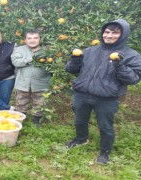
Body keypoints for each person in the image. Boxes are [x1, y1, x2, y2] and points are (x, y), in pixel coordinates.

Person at [65, 19, 141, 164]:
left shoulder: (131, 55)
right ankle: (81, 139)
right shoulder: (90, 50)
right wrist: (75, 61)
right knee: (80, 121)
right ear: (102, 33)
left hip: (107, 98)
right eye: (107, 32)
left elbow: (133, 79)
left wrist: (119, 65)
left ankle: (105, 152)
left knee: (105, 126)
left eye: (115, 32)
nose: (109, 35)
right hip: (82, 94)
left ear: (123, 35)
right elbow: (71, 70)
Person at [11, 29, 51, 126]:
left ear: (40, 39)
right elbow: (16, 62)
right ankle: (20, 121)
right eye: (29, 38)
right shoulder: (19, 49)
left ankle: (37, 121)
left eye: (35, 38)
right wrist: (32, 59)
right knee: (21, 103)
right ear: (25, 39)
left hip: (41, 83)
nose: (32, 40)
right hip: (22, 82)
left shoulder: (47, 51)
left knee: (40, 103)